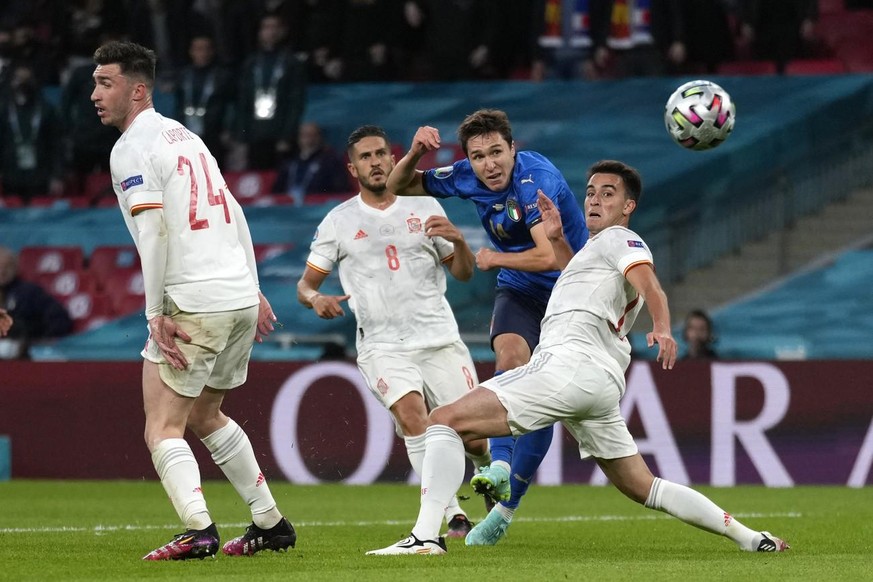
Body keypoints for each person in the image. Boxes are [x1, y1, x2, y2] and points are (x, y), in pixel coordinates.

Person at [367, 159, 790, 556]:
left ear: (628, 206)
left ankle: (425, 538)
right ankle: (752, 538)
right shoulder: (594, 250)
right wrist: (555, 239)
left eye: (608, 194)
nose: (594, 199)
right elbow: (579, 280)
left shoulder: (621, 238)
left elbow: (651, 285)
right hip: (598, 384)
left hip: (568, 365)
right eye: (590, 192)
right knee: (645, 487)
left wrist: (661, 326)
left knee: (442, 419)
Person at [91, 40, 295, 560]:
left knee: (161, 425)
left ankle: (198, 529)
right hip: (234, 297)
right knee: (207, 414)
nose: (95, 93)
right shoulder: (188, 138)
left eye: (105, 82)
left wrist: (155, 311)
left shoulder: (131, 148)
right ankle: (270, 524)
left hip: (194, 300)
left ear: (138, 90)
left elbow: (155, 232)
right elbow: (235, 211)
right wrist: (251, 286)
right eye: (95, 82)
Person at [386, 109, 589, 546]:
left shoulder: (535, 181)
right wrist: (416, 152)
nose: (489, 164)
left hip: (571, 291)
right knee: (511, 359)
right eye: (478, 156)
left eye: (497, 152)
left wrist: (493, 257)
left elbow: (550, 257)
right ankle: (498, 467)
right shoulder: (465, 176)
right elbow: (398, 184)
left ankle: (505, 507)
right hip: (520, 289)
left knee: (546, 395)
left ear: (513, 149)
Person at [296, 124, 492, 538]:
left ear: (392, 157)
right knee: (412, 416)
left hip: (439, 340)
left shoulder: (425, 209)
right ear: (353, 168)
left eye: (380, 153)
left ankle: (487, 472)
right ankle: (451, 512)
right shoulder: (339, 222)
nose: (375, 162)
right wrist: (317, 300)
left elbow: (463, 273)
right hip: (383, 345)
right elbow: (305, 285)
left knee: (475, 437)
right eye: (365, 157)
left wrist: (459, 242)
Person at [236, 12, 307, 170]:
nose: (271, 31)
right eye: (267, 27)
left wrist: (287, 135)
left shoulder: (291, 62)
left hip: (280, 133)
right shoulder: (251, 63)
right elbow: (243, 101)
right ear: (260, 32)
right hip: (255, 134)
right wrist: (242, 135)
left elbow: (295, 101)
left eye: (275, 27)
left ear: (283, 31)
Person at [0, 245, 73, 360]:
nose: (2, 271)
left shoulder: (29, 292)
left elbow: (59, 318)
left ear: (15, 268)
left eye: (6, 266)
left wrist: (38, 344)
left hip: (24, 354)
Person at [271, 121, 349, 205]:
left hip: (315, 207)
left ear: (319, 137)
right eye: (304, 135)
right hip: (288, 208)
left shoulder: (330, 161)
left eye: (312, 135)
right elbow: (276, 191)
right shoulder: (290, 163)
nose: (308, 139)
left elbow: (339, 189)